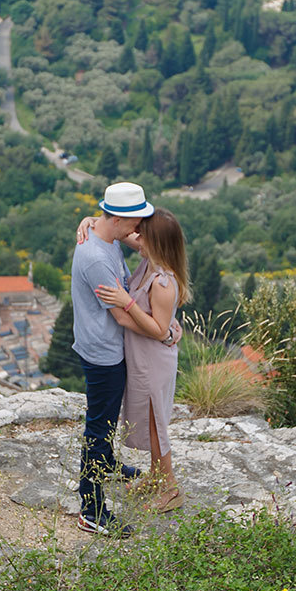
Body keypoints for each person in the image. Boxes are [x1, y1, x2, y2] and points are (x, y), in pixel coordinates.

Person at [68, 182, 154, 535]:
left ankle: (106, 464)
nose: (139, 229)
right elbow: (121, 317)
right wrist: (160, 332)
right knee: (99, 428)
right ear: (118, 220)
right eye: (135, 222)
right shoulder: (97, 258)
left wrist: (91, 219)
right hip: (103, 353)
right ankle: (91, 510)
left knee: (104, 420)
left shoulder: (105, 236)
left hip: (104, 346)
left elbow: (140, 240)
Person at [95, 208, 187, 513]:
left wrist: (127, 303)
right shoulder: (149, 260)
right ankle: (156, 476)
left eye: (143, 236)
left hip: (153, 361)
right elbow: (118, 232)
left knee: (155, 424)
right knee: (149, 420)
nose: (138, 239)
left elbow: (158, 330)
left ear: (156, 243)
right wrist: (91, 222)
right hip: (143, 356)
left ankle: (170, 488)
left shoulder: (162, 283)